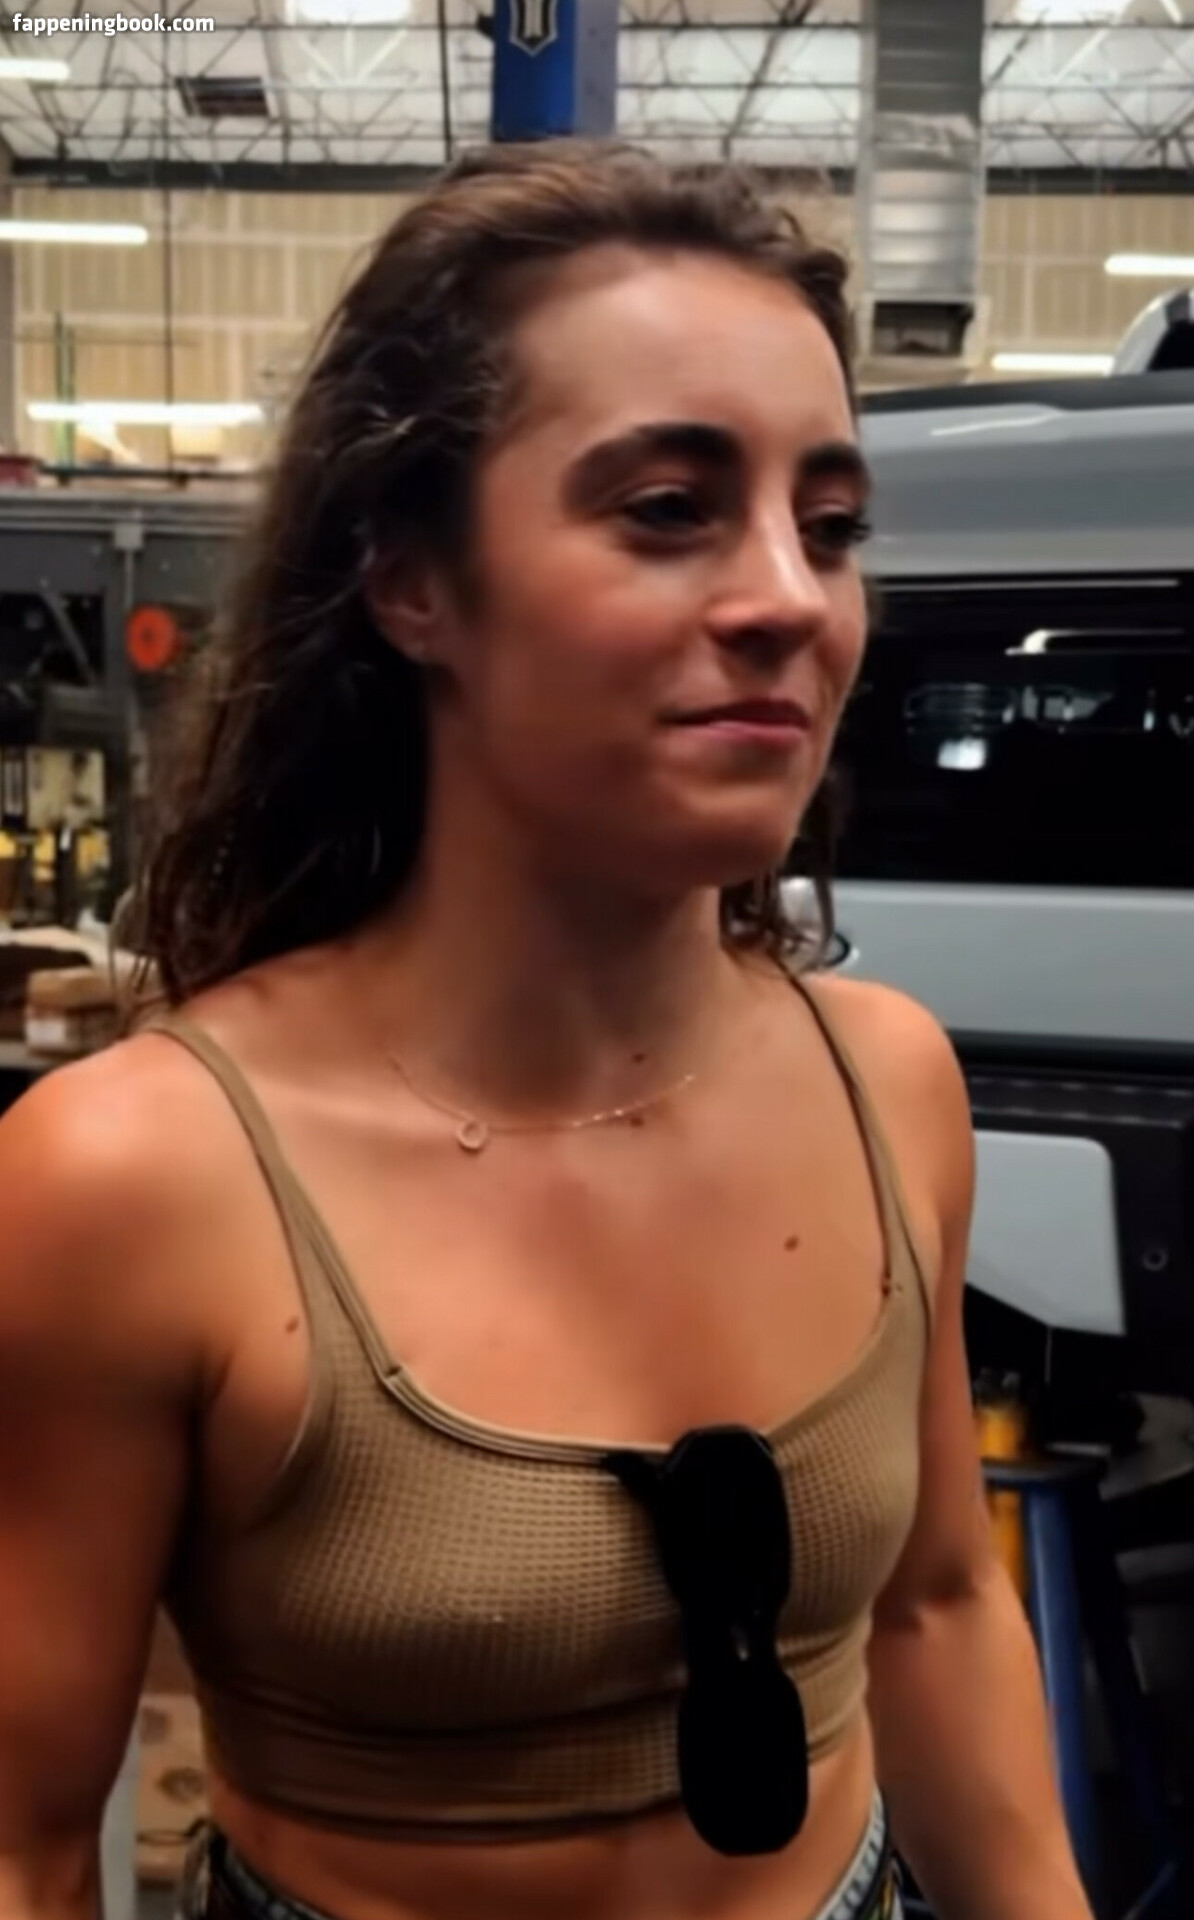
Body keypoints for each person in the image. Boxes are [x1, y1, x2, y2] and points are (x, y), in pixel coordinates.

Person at [0, 141, 1094, 1920]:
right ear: (410, 581)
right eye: (666, 507)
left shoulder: (883, 1081)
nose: (789, 598)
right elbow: (25, 1840)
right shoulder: (137, 1180)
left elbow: (932, 1607)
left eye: (829, 527)